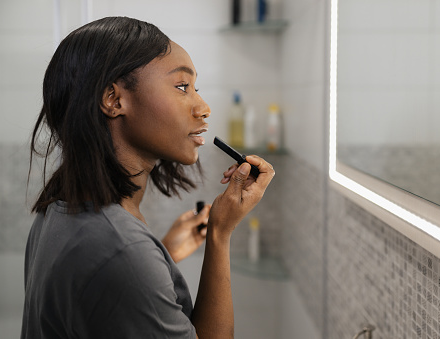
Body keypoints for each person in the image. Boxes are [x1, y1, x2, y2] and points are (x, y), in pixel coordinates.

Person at [21, 16, 274, 339]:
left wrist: (162, 254)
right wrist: (220, 233)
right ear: (114, 100)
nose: (204, 107)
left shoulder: (56, 211)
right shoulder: (121, 250)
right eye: (182, 87)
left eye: (196, 88)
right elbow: (121, 262)